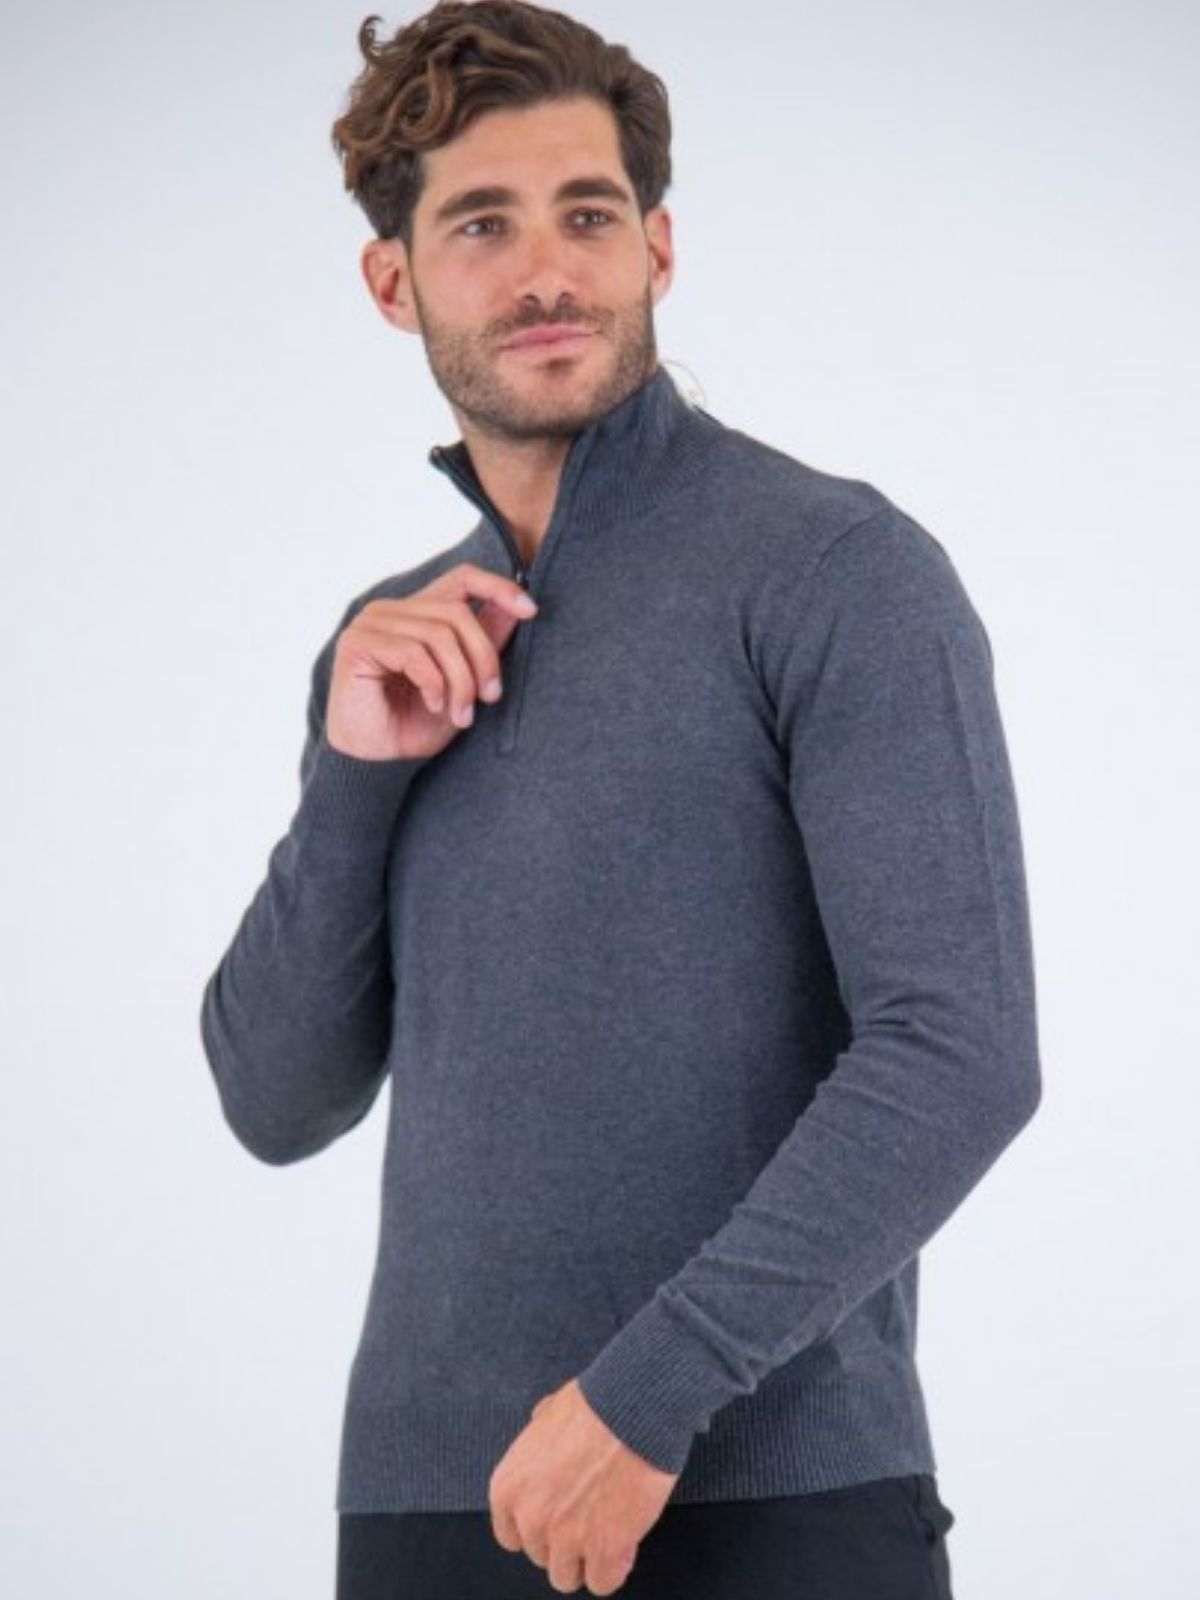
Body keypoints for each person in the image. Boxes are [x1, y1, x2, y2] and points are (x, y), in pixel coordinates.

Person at [199, 3, 1041, 1596]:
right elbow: (276, 1100)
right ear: (393, 283)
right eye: (481, 226)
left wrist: (645, 1398)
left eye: (587, 216)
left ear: (657, 245)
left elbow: (960, 1054)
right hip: (427, 1515)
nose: (546, 274)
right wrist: (356, 781)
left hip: (769, 1504)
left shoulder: (836, 571)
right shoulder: (394, 643)